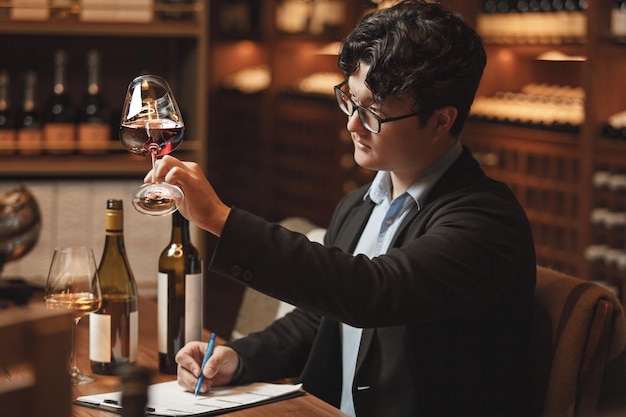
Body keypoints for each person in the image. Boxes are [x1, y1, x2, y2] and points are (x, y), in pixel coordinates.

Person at [152, 1, 536, 416]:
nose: (352, 124)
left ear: (442, 120)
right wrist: (241, 358)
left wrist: (219, 219)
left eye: (373, 111)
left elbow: (369, 292)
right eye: (350, 100)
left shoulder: (486, 222)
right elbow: (322, 318)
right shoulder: (360, 204)